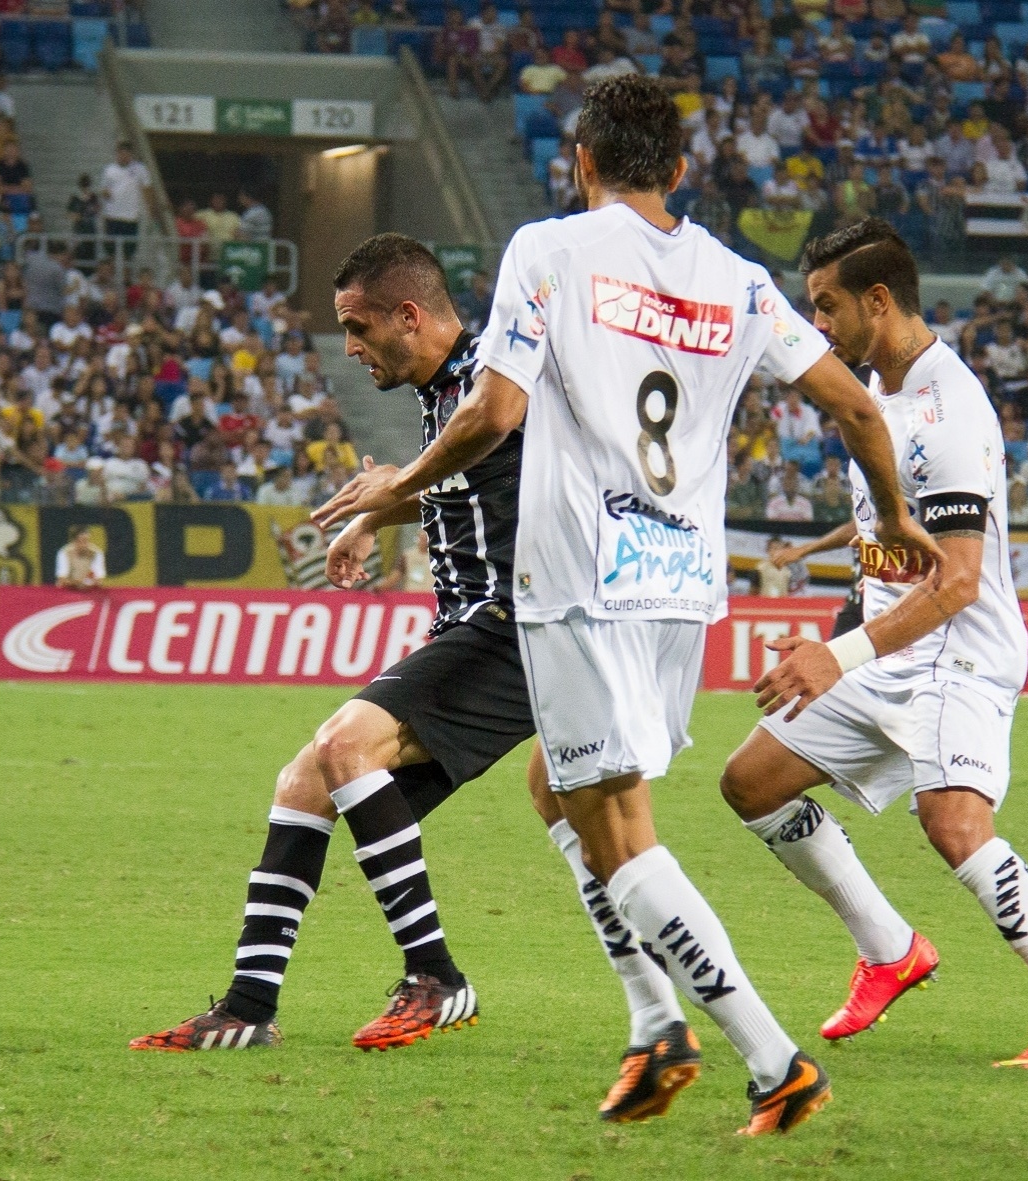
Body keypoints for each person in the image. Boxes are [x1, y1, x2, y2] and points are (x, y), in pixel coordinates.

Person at [315, 82, 930, 1134]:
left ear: (583, 160)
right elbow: (852, 403)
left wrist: (397, 484)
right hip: (678, 586)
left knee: (619, 828)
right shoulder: (735, 281)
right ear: (678, 171)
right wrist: (890, 517)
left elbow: (492, 409)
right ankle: (652, 1022)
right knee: (558, 791)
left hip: (576, 579)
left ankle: (766, 1056)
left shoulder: (548, 250)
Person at [134, 236, 678, 1108]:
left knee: (346, 744)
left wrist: (387, 496)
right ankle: (248, 1005)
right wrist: (381, 515)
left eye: (356, 327)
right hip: (472, 625)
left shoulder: (496, 380)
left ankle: (436, 975)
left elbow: (496, 435)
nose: (350, 347)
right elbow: (475, 480)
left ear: (409, 316)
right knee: (306, 780)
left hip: (514, 624)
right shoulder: (444, 394)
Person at [717, 218, 1028, 1070]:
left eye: (827, 307)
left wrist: (840, 653)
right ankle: (888, 947)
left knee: (954, 822)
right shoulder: (876, 395)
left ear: (879, 300)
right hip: (891, 648)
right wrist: (849, 628)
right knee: (752, 781)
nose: (818, 325)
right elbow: (889, 524)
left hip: (959, 649)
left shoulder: (947, 409)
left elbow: (958, 580)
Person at [55, 524, 105, 589]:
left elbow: (99, 579)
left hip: (88, 591)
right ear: (73, 541)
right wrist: (77, 583)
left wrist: (90, 583)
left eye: (87, 541)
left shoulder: (96, 552)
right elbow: (62, 579)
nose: (85, 545)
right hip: (68, 591)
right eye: (82, 541)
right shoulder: (64, 552)